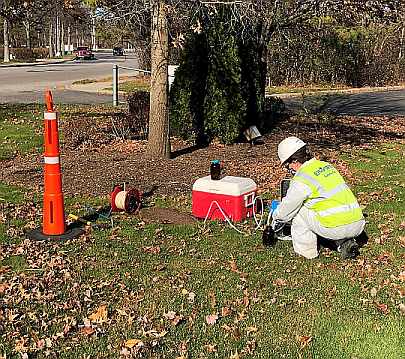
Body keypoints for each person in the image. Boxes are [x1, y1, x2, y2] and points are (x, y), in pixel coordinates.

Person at [271, 136, 366, 259]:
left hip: (335, 227)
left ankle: (306, 252)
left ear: (294, 161)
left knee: (298, 210)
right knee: (320, 208)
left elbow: (286, 211)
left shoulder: (302, 178)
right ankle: (343, 243)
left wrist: (275, 215)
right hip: (357, 223)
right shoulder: (326, 166)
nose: (288, 169)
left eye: (287, 165)